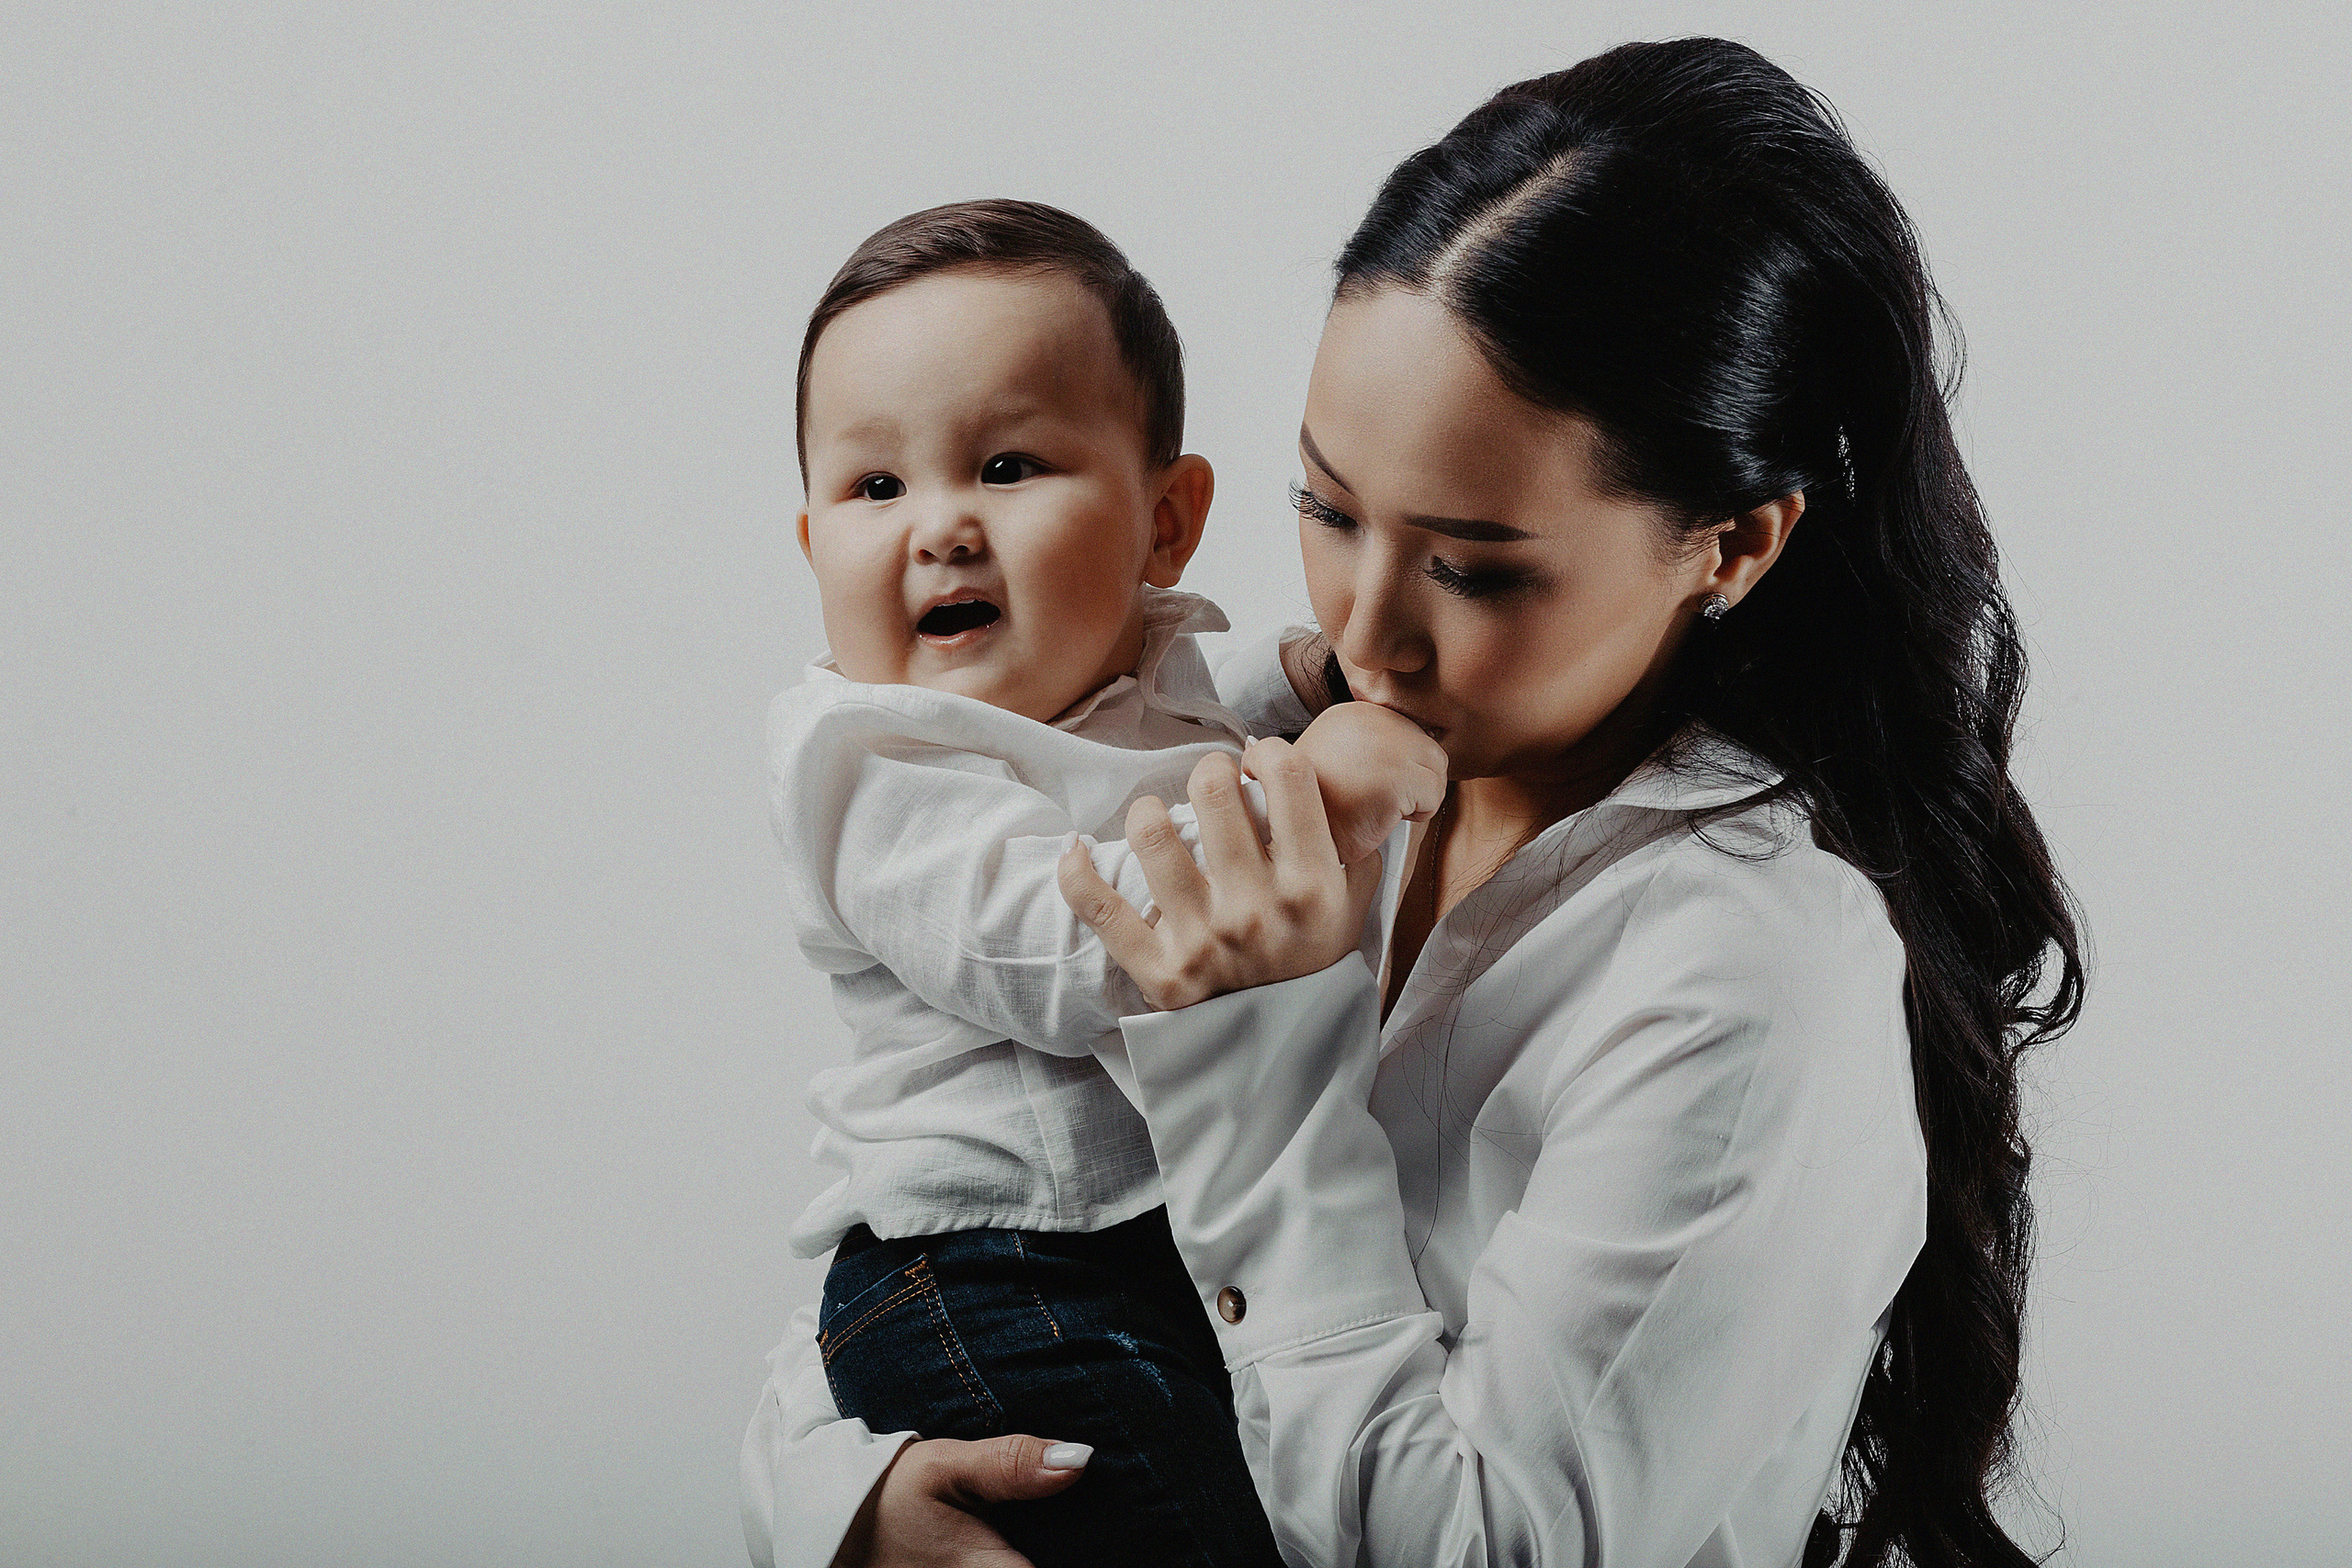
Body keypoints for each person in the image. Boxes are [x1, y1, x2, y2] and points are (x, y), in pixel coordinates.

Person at [748, 39, 2085, 1568]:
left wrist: (1243, 1040)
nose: (1367, 633)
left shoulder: (1744, 971)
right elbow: (959, 1190)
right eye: (1324, 508)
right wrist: (842, 1499)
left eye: (1473, 567)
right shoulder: (1257, 741)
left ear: (1732, 546)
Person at [759, 198, 1445, 1568]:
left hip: (1152, 1253)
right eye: (875, 487)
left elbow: (1223, 684)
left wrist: (1313, 680)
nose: (939, 528)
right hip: (986, 1275)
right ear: (810, 542)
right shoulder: (873, 759)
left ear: (1165, 524)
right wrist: (1311, 795)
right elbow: (1056, 946)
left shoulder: (1145, 664)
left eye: (1007, 465)